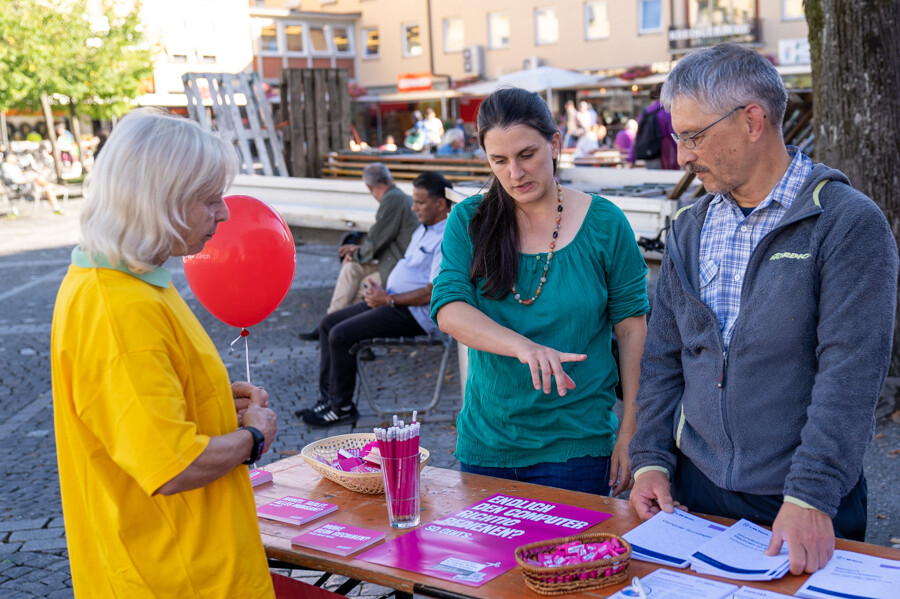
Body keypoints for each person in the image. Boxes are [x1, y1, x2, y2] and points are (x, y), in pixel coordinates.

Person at [628, 43, 898, 576]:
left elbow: (849, 376)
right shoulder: (689, 226)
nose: (681, 155)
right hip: (694, 495)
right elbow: (663, 360)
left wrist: (812, 496)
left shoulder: (846, 223)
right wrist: (651, 461)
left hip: (803, 503)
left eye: (693, 135)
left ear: (753, 120)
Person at [50, 109, 279, 597]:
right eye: (210, 200)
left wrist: (214, 397)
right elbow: (173, 464)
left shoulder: (130, 279)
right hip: (175, 577)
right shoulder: (118, 306)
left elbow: (149, 408)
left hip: (191, 568)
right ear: (162, 201)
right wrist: (252, 439)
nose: (224, 213)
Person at [431, 88, 649, 496]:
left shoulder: (605, 223)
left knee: (573, 561)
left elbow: (633, 331)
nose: (515, 172)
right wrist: (523, 347)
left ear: (555, 143)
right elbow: (449, 308)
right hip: (487, 446)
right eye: (499, 161)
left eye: (526, 154)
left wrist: (632, 433)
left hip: (578, 448)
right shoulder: (469, 220)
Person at [299, 172, 454, 426]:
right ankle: (327, 400)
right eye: (414, 201)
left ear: (440, 204)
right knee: (328, 323)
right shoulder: (423, 230)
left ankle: (342, 407)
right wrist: (383, 289)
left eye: (420, 202)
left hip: (412, 314)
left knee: (341, 334)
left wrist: (390, 298)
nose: (413, 208)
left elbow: (433, 291)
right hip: (392, 301)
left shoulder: (446, 235)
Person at [298, 163, 419, 341]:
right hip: (393, 262)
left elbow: (377, 239)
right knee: (351, 269)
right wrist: (359, 251)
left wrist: (356, 253)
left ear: (370, 188)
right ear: (389, 178)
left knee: (360, 285)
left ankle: (341, 330)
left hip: (399, 268)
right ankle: (331, 322)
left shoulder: (393, 200)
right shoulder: (395, 197)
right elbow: (381, 239)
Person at [628, 83, 678, 169]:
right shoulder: (667, 112)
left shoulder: (645, 113)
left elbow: (638, 137)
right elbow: (672, 136)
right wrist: (681, 154)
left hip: (649, 155)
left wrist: (631, 159)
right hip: (665, 155)